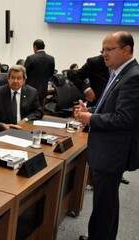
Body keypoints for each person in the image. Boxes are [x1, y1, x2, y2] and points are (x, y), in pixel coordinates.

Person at [75, 32, 139, 240]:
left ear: (126, 50)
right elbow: (108, 107)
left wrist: (90, 119)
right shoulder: (118, 73)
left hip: (111, 152)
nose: (104, 54)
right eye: (103, 50)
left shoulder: (133, 77)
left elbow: (124, 118)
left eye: (109, 49)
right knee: (106, 204)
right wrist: (91, 110)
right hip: (106, 150)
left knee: (105, 204)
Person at [24, 39, 55, 106]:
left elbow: (24, 74)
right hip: (44, 89)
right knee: (40, 108)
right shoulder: (51, 58)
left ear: (35, 47)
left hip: (30, 89)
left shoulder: (30, 58)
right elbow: (51, 74)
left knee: (30, 108)